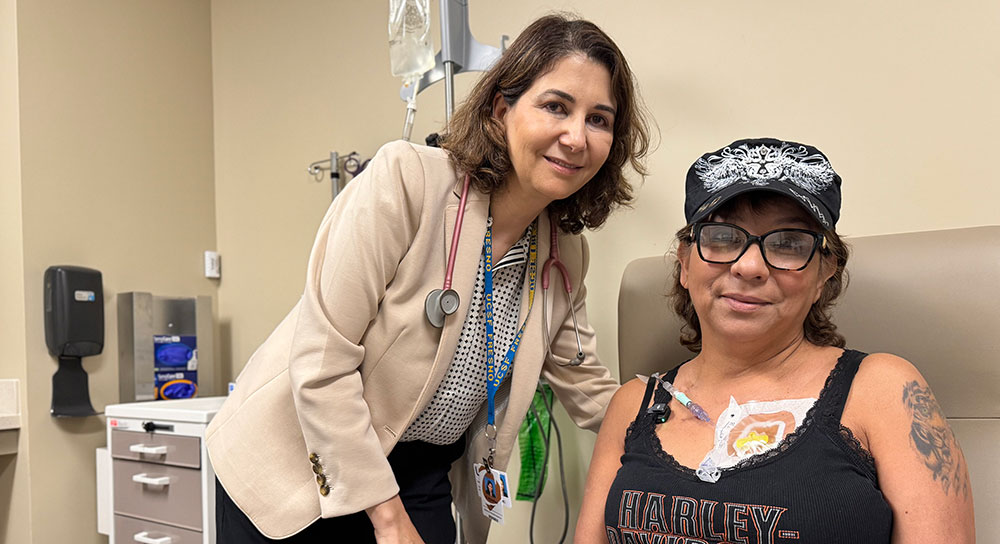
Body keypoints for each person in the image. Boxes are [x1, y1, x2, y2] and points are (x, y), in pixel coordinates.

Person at [206, 14, 651, 544]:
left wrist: (686, 417)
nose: (576, 137)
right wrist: (388, 519)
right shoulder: (409, 181)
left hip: (421, 469)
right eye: (556, 106)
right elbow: (322, 363)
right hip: (301, 459)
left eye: (599, 119)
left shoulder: (563, 251)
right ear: (501, 110)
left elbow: (583, 381)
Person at [576, 138, 975, 543]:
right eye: (722, 236)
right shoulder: (633, 404)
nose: (749, 266)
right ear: (685, 262)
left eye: (788, 244)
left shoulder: (883, 390)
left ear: (824, 273)